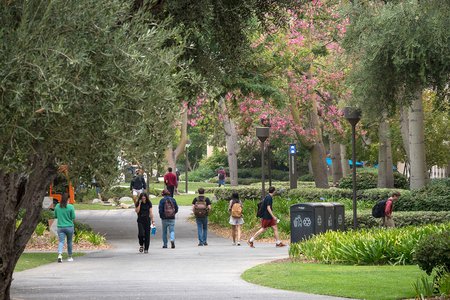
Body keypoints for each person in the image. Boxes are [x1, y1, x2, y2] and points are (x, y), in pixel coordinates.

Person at [54, 193, 76, 262]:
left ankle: (60, 255)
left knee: (61, 241)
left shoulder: (57, 206)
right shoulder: (70, 207)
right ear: (68, 199)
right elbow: (73, 217)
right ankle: (69, 256)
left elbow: (55, 216)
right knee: (69, 242)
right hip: (69, 227)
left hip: (60, 227)